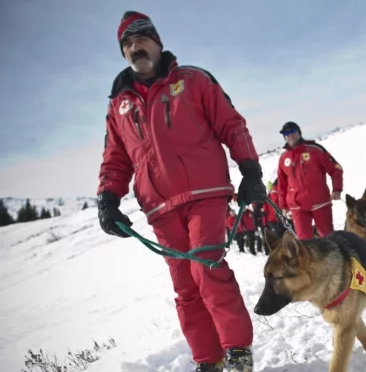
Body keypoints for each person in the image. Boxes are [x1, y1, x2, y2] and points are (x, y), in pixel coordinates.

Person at [96, 11, 266, 372]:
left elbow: (231, 124)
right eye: (127, 43)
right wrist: (108, 199)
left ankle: (236, 351)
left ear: (157, 42)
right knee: (185, 285)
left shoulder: (192, 80)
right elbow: (115, 157)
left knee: (206, 268)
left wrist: (250, 170)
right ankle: (209, 360)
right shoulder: (118, 105)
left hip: (204, 191)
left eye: (141, 38)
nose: (134, 47)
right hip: (159, 206)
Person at [276, 121, 343, 240]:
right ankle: (311, 259)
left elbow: (335, 169)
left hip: (319, 202)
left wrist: (337, 189)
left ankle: (333, 259)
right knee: (305, 242)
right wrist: (284, 206)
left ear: (299, 132)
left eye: (293, 131)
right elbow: (281, 184)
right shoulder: (284, 158)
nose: (290, 135)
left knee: (328, 238)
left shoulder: (315, 150)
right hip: (297, 207)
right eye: (286, 133)